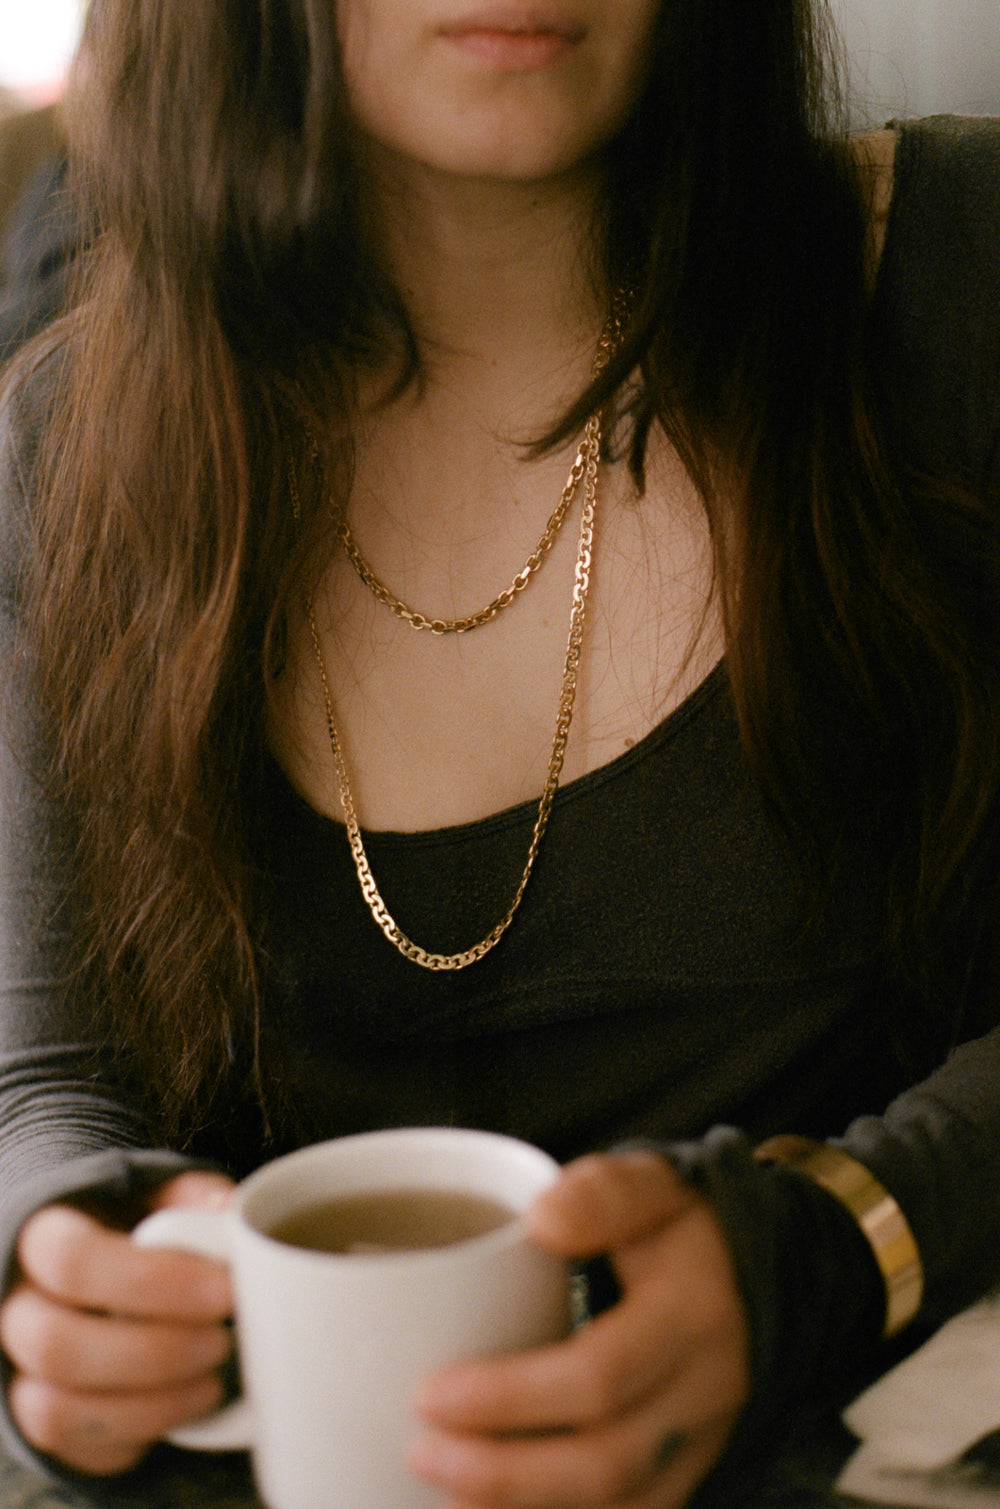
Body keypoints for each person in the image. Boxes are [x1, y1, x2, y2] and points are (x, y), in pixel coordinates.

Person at [0, 1, 998, 1505]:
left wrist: (843, 1238)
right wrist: (64, 1284)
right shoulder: (66, 445)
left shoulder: (954, 280)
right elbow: (44, 1089)